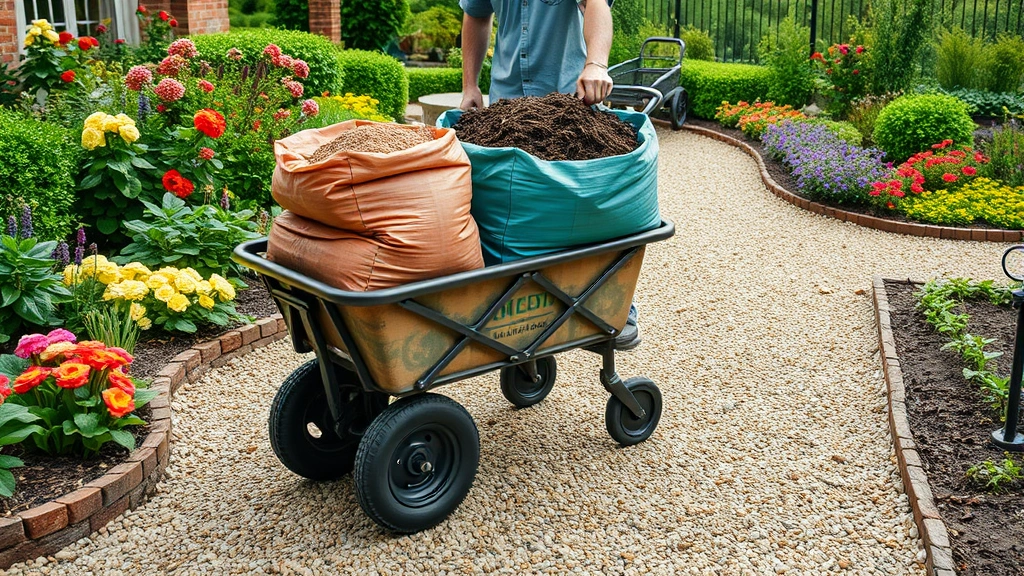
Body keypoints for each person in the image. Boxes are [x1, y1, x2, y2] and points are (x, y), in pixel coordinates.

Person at [457, 0, 642, 350]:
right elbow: (476, 15)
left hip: (572, 104)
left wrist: (596, 64)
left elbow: (596, 4)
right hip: (506, 109)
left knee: (586, 209)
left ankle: (611, 305)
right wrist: (470, 85)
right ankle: (521, 310)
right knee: (512, 211)